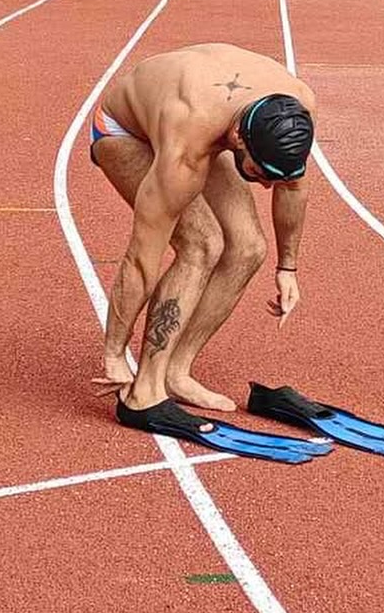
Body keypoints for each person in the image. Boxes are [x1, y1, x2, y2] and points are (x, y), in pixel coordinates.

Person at [90, 42, 316, 414]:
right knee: (202, 244)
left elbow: (293, 186)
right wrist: (115, 350)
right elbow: (141, 259)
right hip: (123, 131)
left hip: (208, 118)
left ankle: (177, 373)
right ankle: (147, 383)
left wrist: (287, 267)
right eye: (259, 174)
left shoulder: (298, 108)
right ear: (239, 138)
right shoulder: (188, 143)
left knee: (248, 248)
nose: (264, 187)